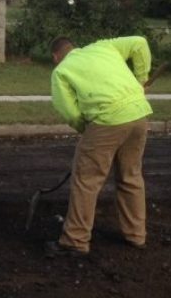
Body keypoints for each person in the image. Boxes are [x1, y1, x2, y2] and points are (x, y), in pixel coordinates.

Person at [45, 35, 153, 257]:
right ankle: (136, 235)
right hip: (139, 115)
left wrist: (85, 129)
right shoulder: (104, 47)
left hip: (106, 119)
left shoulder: (61, 71)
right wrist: (141, 80)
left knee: (86, 180)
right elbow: (139, 43)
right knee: (130, 176)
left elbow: (69, 111)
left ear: (55, 56)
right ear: (74, 46)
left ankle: (75, 240)